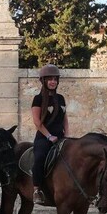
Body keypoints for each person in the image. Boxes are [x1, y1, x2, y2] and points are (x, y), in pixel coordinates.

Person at [31, 64, 69, 205]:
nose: (53, 82)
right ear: (44, 81)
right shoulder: (38, 99)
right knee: (40, 157)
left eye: (55, 79)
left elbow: (65, 118)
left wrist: (67, 135)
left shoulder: (61, 98)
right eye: (49, 79)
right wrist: (48, 136)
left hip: (60, 137)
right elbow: (37, 122)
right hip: (44, 137)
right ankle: (37, 189)